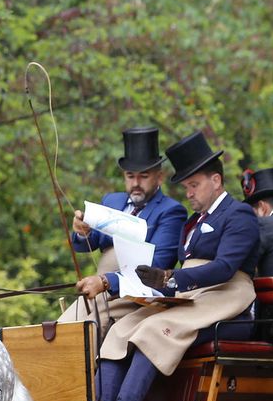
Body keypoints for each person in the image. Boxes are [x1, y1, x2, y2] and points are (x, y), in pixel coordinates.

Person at [94, 131, 260, 401]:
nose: (189, 193)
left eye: (194, 185)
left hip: (227, 296)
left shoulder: (239, 214)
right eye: (186, 187)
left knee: (155, 328)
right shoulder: (194, 222)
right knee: (122, 328)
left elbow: (224, 267)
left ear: (216, 181)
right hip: (193, 295)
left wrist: (172, 278)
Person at [62, 126, 185, 328]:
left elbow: (157, 265)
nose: (136, 183)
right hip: (98, 292)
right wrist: (82, 230)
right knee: (60, 328)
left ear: (159, 177)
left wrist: (107, 281)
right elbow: (87, 244)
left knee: (85, 330)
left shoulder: (171, 211)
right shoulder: (112, 201)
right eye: (130, 176)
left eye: (144, 176)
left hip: (136, 297)